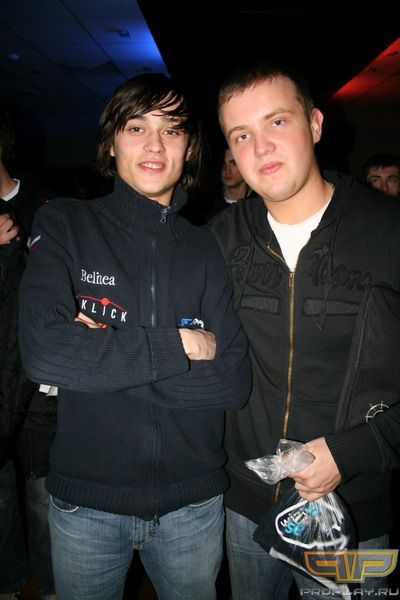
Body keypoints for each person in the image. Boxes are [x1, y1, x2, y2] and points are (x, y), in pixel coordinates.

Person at [18, 73, 251, 600]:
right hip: (87, 505)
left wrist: (101, 361)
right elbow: (44, 352)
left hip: (193, 505)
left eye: (172, 130)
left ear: (189, 148)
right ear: (111, 142)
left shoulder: (208, 247)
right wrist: (182, 345)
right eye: (136, 127)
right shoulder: (65, 224)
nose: (154, 145)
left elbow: (233, 381)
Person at [209, 60, 400, 599]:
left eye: (277, 122)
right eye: (241, 135)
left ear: (314, 124)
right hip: (247, 510)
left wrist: (351, 452)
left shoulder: (388, 232)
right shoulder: (218, 240)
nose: (261, 147)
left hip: (356, 515)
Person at [0, 107, 56, 600]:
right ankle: (10, 582)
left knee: (41, 493)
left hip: (37, 380)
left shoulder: (44, 204)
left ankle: (53, 585)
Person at [203, 146, 254, 222]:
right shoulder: (205, 206)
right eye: (224, 163)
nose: (227, 170)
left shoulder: (259, 204)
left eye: (234, 163)